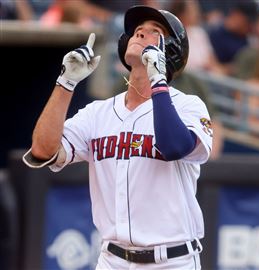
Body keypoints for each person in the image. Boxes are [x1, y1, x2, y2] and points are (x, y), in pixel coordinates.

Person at [23, 5, 212, 270]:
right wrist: (65, 84)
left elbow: (173, 146)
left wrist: (157, 80)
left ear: (170, 51)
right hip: (112, 260)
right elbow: (43, 150)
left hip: (172, 260)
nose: (140, 35)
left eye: (153, 32)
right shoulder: (98, 112)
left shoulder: (188, 106)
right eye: (137, 31)